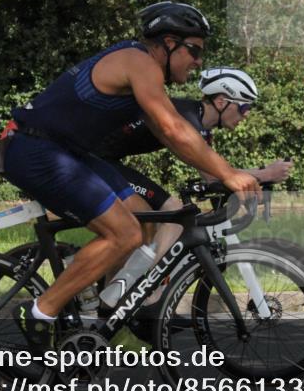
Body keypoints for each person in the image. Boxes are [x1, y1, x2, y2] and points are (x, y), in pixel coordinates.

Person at [0, 1, 260, 351]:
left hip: (65, 150)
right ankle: (41, 312)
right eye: (194, 50)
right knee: (125, 233)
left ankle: (94, 297)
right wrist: (229, 174)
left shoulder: (146, 78)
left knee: (138, 218)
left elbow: (173, 136)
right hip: (38, 149)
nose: (199, 62)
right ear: (169, 43)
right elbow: (174, 129)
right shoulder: (140, 63)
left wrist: (223, 173)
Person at [94, 67, 292, 262]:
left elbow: (218, 172)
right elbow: (214, 176)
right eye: (244, 107)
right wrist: (265, 174)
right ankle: (155, 291)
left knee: (145, 224)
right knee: (169, 211)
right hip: (95, 159)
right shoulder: (188, 119)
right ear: (221, 101)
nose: (247, 114)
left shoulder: (198, 122)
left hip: (105, 160)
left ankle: (116, 287)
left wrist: (259, 175)